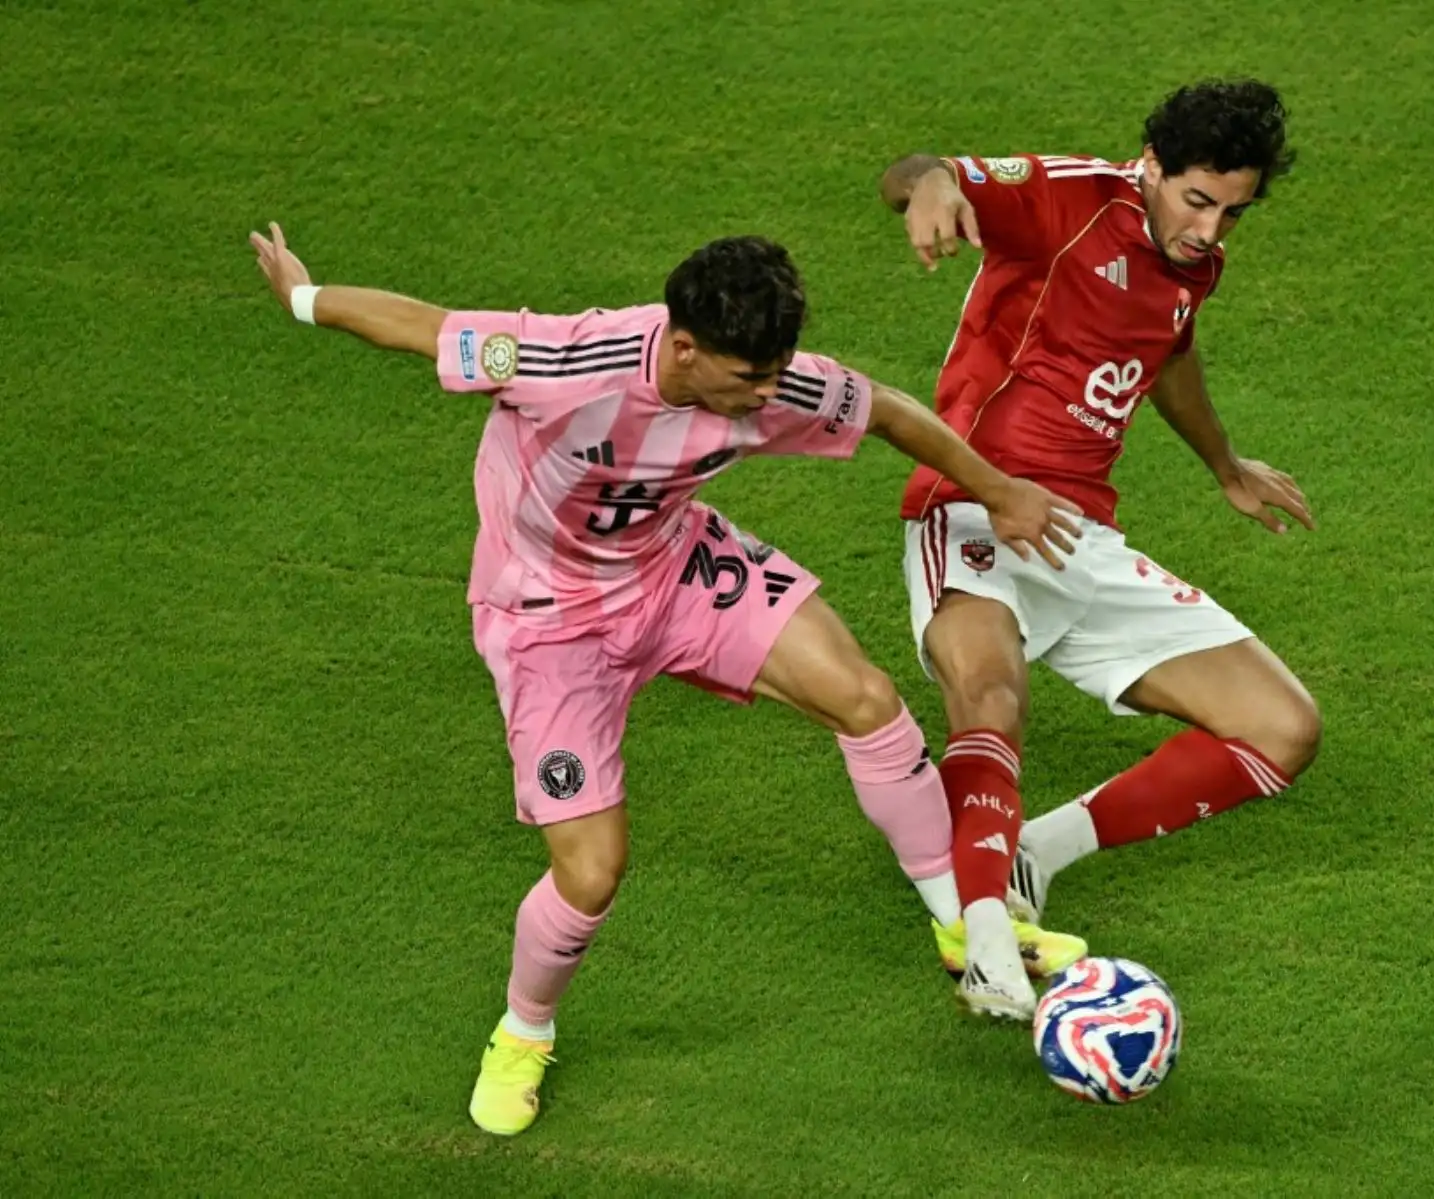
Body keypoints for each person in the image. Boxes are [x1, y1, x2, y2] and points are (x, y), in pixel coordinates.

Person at [247, 226, 1087, 1134]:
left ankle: (963, 925)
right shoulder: (564, 363)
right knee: (591, 870)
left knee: (865, 698)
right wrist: (303, 296)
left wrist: (998, 489)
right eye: (750, 378)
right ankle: (524, 1030)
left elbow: (885, 409)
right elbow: (422, 325)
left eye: (777, 372)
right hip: (548, 625)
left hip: (674, 568)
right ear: (684, 348)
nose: (769, 395)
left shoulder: (771, 379)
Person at [876, 79, 1321, 950]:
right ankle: (983, 942)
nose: (1210, 231)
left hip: (1080, 535)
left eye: (1233, 213)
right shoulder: (1070, 198)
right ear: (1152, 164)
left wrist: (1225, 465)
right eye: (1198, 200)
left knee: (1284, 726)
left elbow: (1168, 352)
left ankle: (1037, 851)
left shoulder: (1195, 262)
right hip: (976, 508)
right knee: (990, 694)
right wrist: (930, 186)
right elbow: (921, 172)